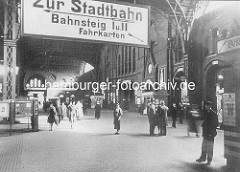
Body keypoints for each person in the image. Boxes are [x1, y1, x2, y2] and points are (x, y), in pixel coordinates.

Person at [196, 101, 219, 165]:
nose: (206, 107)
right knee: (204, 146)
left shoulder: (213, 114)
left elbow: (215, 124)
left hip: (210, 133)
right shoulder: (206, 113)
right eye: (206, 106)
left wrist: (210, 129)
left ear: (210, 106)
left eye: (207, 105)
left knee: (210, 146)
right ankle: (203, 157)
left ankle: (209, 159)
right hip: (206, 132)